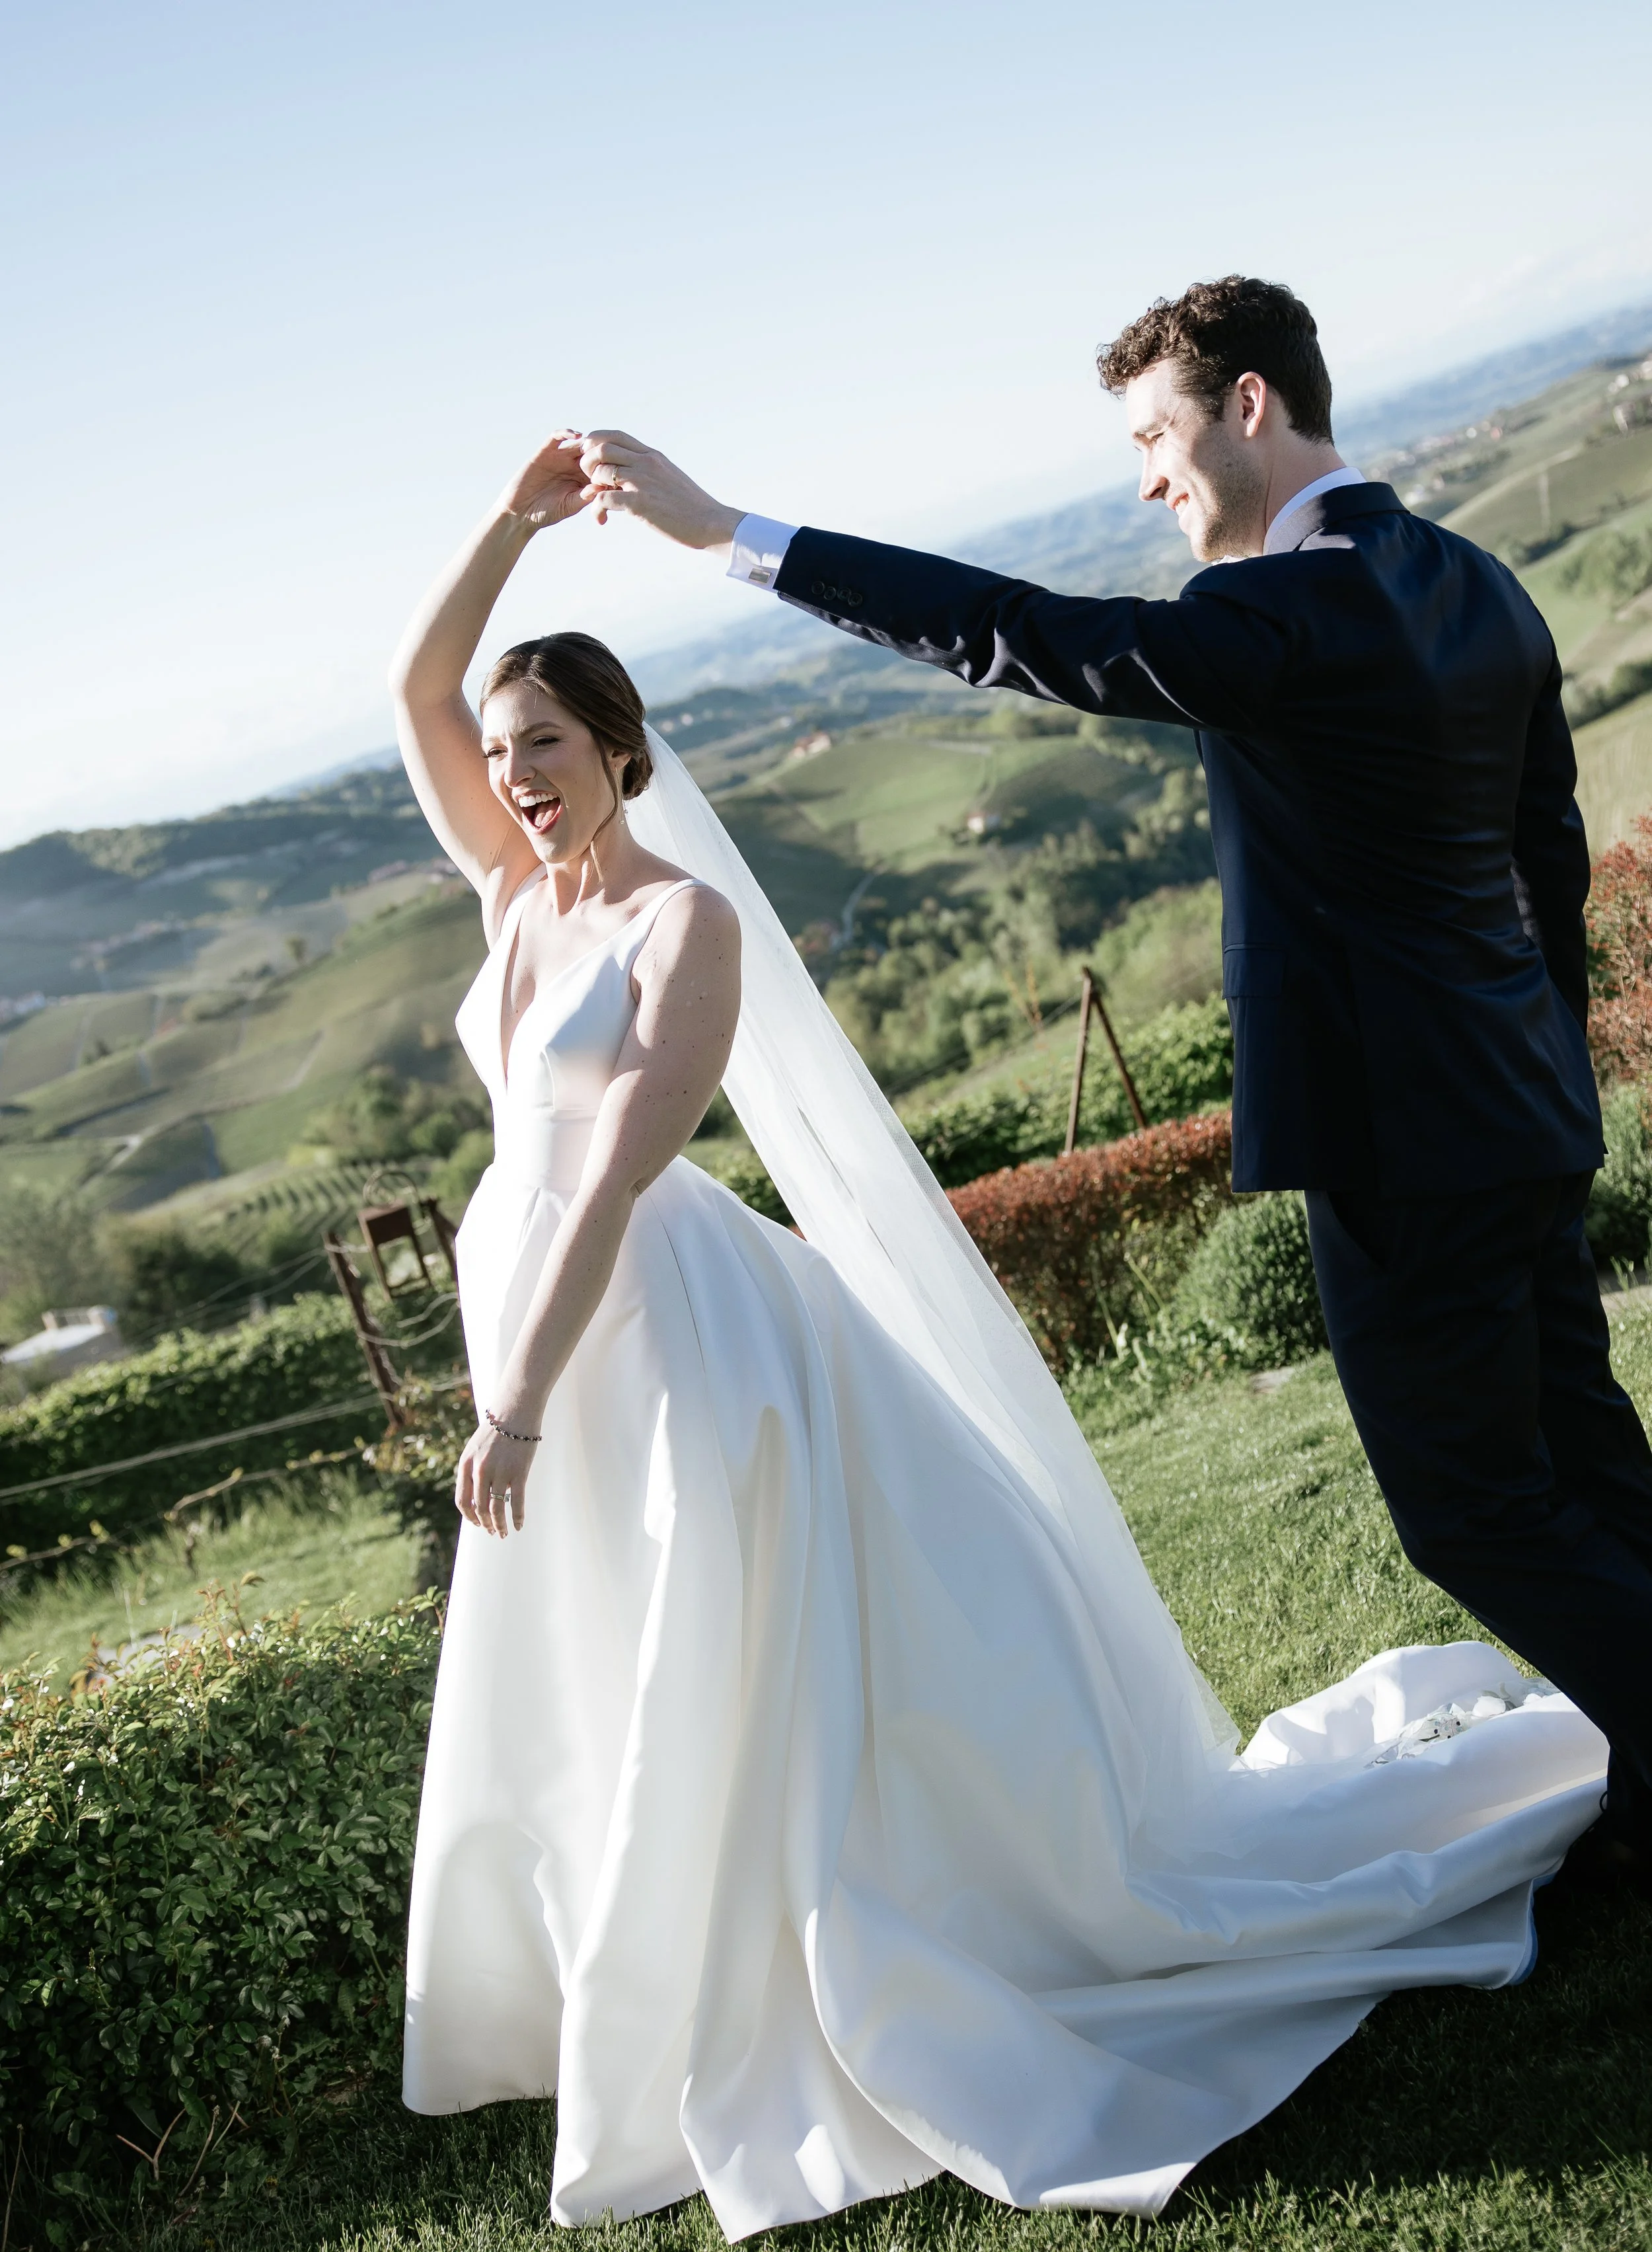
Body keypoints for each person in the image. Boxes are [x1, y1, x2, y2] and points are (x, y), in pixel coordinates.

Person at [390, 421, 1606, 2241]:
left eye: (546, 747)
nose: (516, 778)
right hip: (541, 1323)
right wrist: (508, 521)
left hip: (644, 1323)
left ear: (620, 749)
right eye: (500, 759)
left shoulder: (681, 923)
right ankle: (624, 1979)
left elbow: (616, 1174)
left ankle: (790, 1966)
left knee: (725, 1654)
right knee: (599, 1654)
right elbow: (414, 681)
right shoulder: (506, 897)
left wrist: (514, 1400)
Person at [566, 273, 1652, 1900]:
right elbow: (1543, 858)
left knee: (1474, 1508)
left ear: (1247, 406)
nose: (1146, 475)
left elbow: (1032, 634)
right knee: (1586, 1465)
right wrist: (1546, 1064)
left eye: (1155, 432)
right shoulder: (1469, 578)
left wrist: (734, 532)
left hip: (1403, 1139)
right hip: (1516, 1114)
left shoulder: (1287, 615)